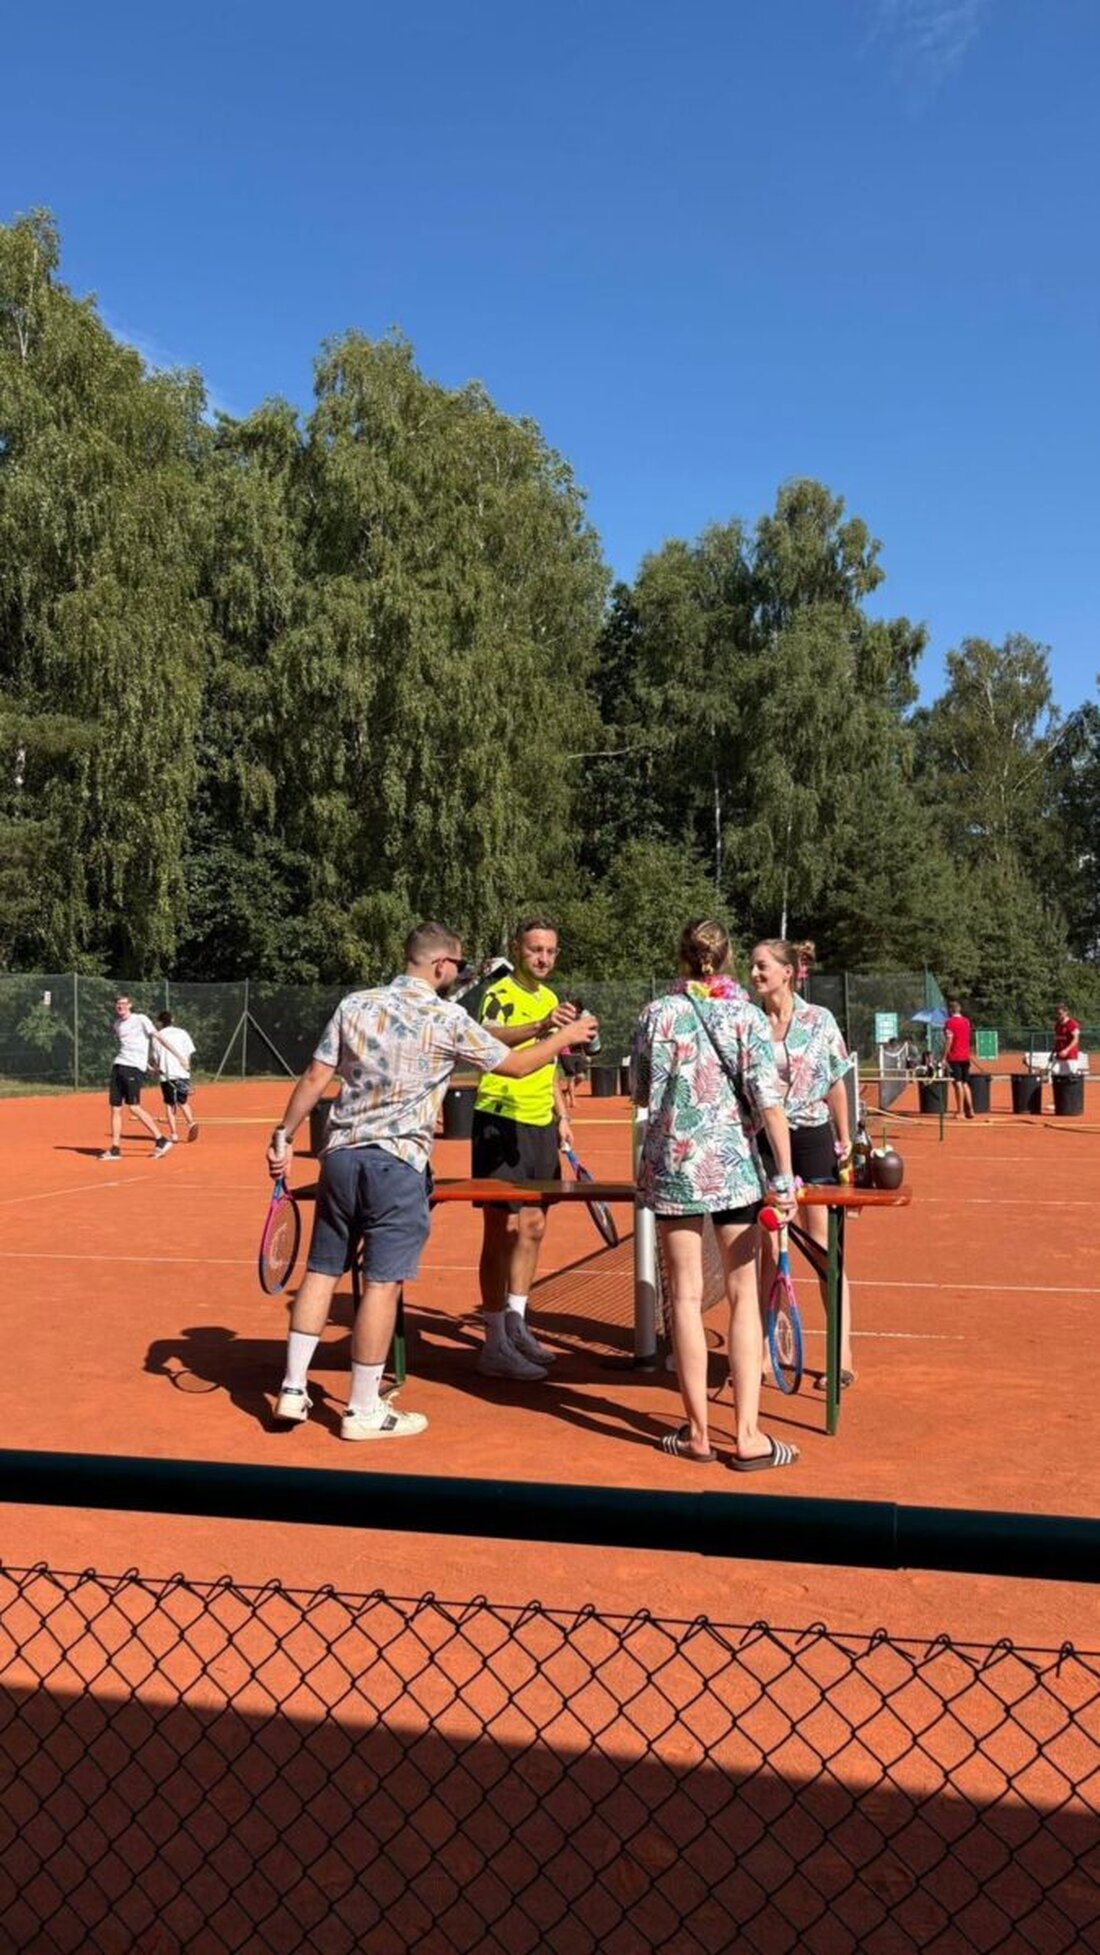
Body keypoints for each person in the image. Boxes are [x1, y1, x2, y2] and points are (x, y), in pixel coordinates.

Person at [265, 921, 596, 1441]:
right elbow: (512, 1066)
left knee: (322, 1271)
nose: (459, 974)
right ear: (441, 966)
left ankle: (291, 1387)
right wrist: (566, 1038)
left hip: (341, 1157)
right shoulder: (447, 1017)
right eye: (458, 966)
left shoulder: (355, 1004)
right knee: (381, 1284)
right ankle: (363, 1409)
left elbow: (315, 1077)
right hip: (397, 1164)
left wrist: (283, 1135)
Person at [631, 919, 798, 1471]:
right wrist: (784, 1178)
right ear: (726, 959)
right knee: (743, 1294)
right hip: (733, 1171)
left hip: (674, 1167)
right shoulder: (748, 1016)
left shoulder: (656, 1013)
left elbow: (640, 1091)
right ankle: (748, 1436)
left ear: (681, 957)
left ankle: (698, 1433)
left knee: (682, 1297)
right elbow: (769, 1101)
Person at [471, 917, 580, 1381]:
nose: (544, 958)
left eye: (551, 951)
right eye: (536, 949)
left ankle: (516, 1324)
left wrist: (563, 1115)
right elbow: (486, 1039)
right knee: (502, 1229)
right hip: (499, 1118)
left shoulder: (552, 998)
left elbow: (551, 1064)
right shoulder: (500, 992)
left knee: (533, 1226)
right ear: (518, 948)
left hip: (540, 1124)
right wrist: (540, 1026)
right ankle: (493, 1339)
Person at [748, 939, 858, 1387]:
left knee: (822, 1249)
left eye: (762, 967)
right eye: (752, 967)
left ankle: (842, 1355)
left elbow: (835, 1082)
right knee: (769, 1250)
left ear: (787, 972)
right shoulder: (749, 1022)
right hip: (763, 1141)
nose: (754, 974)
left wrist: (845, 1139)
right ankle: (759, 1350)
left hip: (812, 1140)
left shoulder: (819, 1020)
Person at [100, 996, 176, 1160]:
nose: (120, 1006)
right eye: (118, 1004)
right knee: (115, 1108)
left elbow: (157, 1037)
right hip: (118, 1066)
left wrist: (178, 1055)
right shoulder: (117, 1025)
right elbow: (131, 1046)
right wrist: (149, 1067)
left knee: (134, 1107)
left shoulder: (141, 1019)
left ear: (130, 1005)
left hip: (133, 1069)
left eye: (123, 1004)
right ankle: (115, 1148)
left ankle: (161, 1140)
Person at [153, 1010, 199, 1142]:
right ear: (172, 1019)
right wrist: (187, 1067)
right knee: (183, 1101)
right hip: (182, 1072)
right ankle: (191, 1123)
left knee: (169, 1104)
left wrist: (156, 1068)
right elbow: (189, 1052)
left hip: (167, 1074)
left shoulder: (157, 1036)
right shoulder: (182, 1033)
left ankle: (174, 1134)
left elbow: (156, 1057)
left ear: (160, 1022)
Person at [942, 999, 975, 1119]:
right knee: (965, 1083)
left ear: (950, 1010)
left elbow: (949, 1040)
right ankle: (970, 1110)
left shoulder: (949, 1023)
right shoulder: (966, 1021)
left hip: (955, 1057)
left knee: (958, 1083)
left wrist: (944, 1057)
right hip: (966, 1056)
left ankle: (960, 1112)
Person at [1052, 1003, 1081, 1073]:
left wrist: (1066, 1050)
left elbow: (1076, 1039)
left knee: (1070, 1077)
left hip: (1070, 1056)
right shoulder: (1057, 1024)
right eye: (1057, 1013)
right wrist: (1053, 1052)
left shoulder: (1072, 1023)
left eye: (1060, 1013)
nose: (1058, 1015)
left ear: (1066, 1012)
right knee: (1055, 1074)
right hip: (1059, 1055)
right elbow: (1057, 1039)